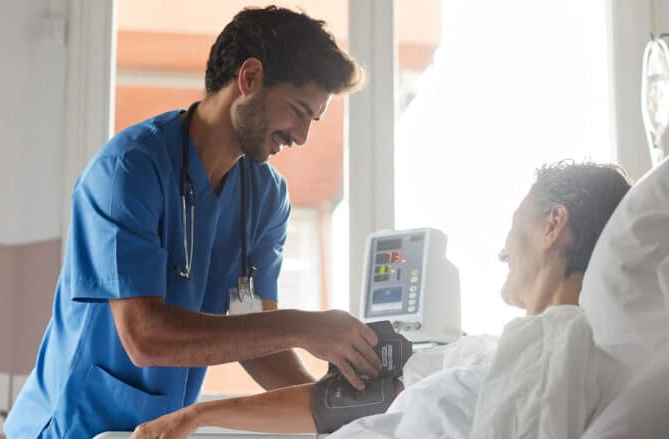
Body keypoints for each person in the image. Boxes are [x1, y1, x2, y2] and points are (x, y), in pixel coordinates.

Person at [4, 7, 383, 438]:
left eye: (311, 120)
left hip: (156, 430)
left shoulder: (265, 197)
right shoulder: (129, 170)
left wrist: (340, 416)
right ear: (250, 78)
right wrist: (306, 326)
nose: (300, 136)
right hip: (72, 426)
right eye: (297, 111)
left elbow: (257, 340)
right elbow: (146, 338)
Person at [129, 161, 633, 438]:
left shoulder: (572, 358)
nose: (503, 249)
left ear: (553, 225)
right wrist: (196, 416)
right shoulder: (479, 353)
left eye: (514, 224)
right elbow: (334, 405)